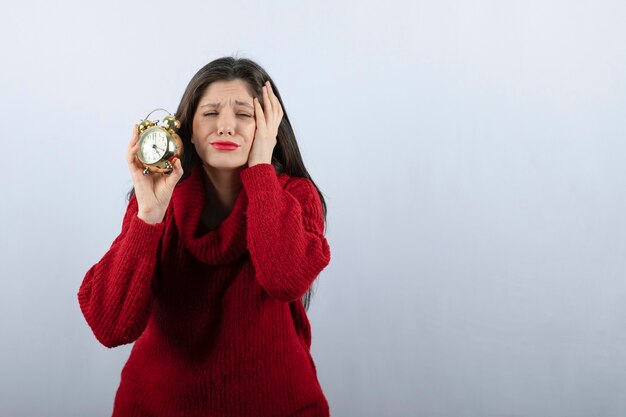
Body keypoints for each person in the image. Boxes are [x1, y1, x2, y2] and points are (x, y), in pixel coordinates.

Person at [77, 56, 331, 417]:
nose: (226, 127)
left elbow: (283, 279)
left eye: (244, 115)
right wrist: (147, 217)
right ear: (189, 132)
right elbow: (110, 325)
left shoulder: (296, 197)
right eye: (210, 114)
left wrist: (260, 168)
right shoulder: (156, 202)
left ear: (270, 127)